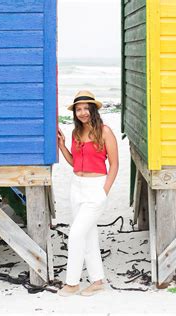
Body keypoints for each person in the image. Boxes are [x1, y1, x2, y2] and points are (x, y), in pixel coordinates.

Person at [57, 90, 119, 296]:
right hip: (76, 187)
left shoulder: (105, 131)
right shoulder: (76, 134)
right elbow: (75, 162)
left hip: (96, 188)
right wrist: (62, 146)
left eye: (85, 108)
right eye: (78, 109)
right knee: (88, 235)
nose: (82, 112)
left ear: (93, 109)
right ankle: (97, 280)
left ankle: (72, 283)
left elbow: (115, 164)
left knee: (75, 235)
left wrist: (104, 191)